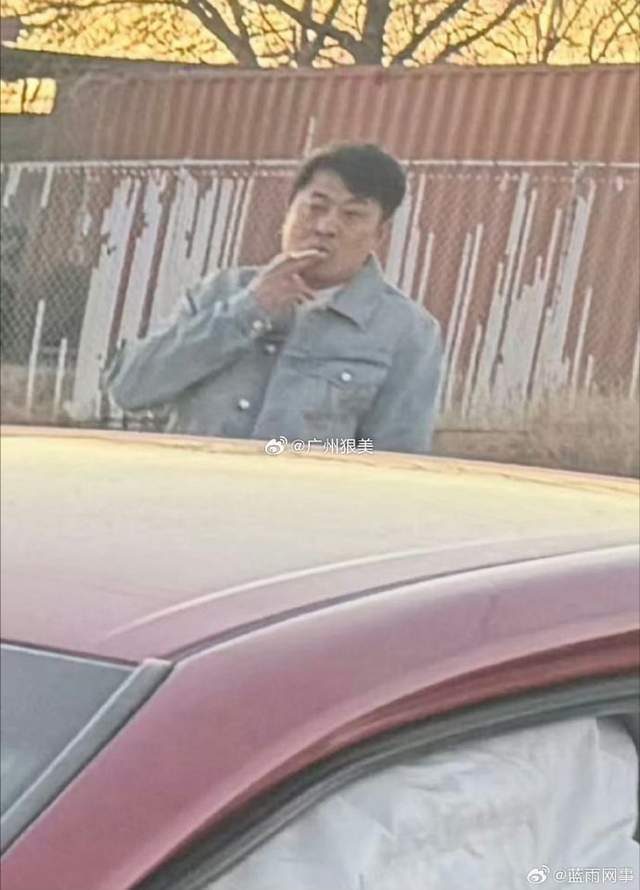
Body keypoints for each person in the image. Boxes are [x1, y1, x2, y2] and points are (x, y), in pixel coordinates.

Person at [106, 142, 442, 454]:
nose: (325, 227)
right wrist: (249, 309)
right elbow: (129, 390)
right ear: (288, 212)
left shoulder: (407, 331)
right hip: (193, 491)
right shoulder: (220, 291)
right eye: (315, 208)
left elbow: (394, 458)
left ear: (379, 234)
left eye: (352, 215)